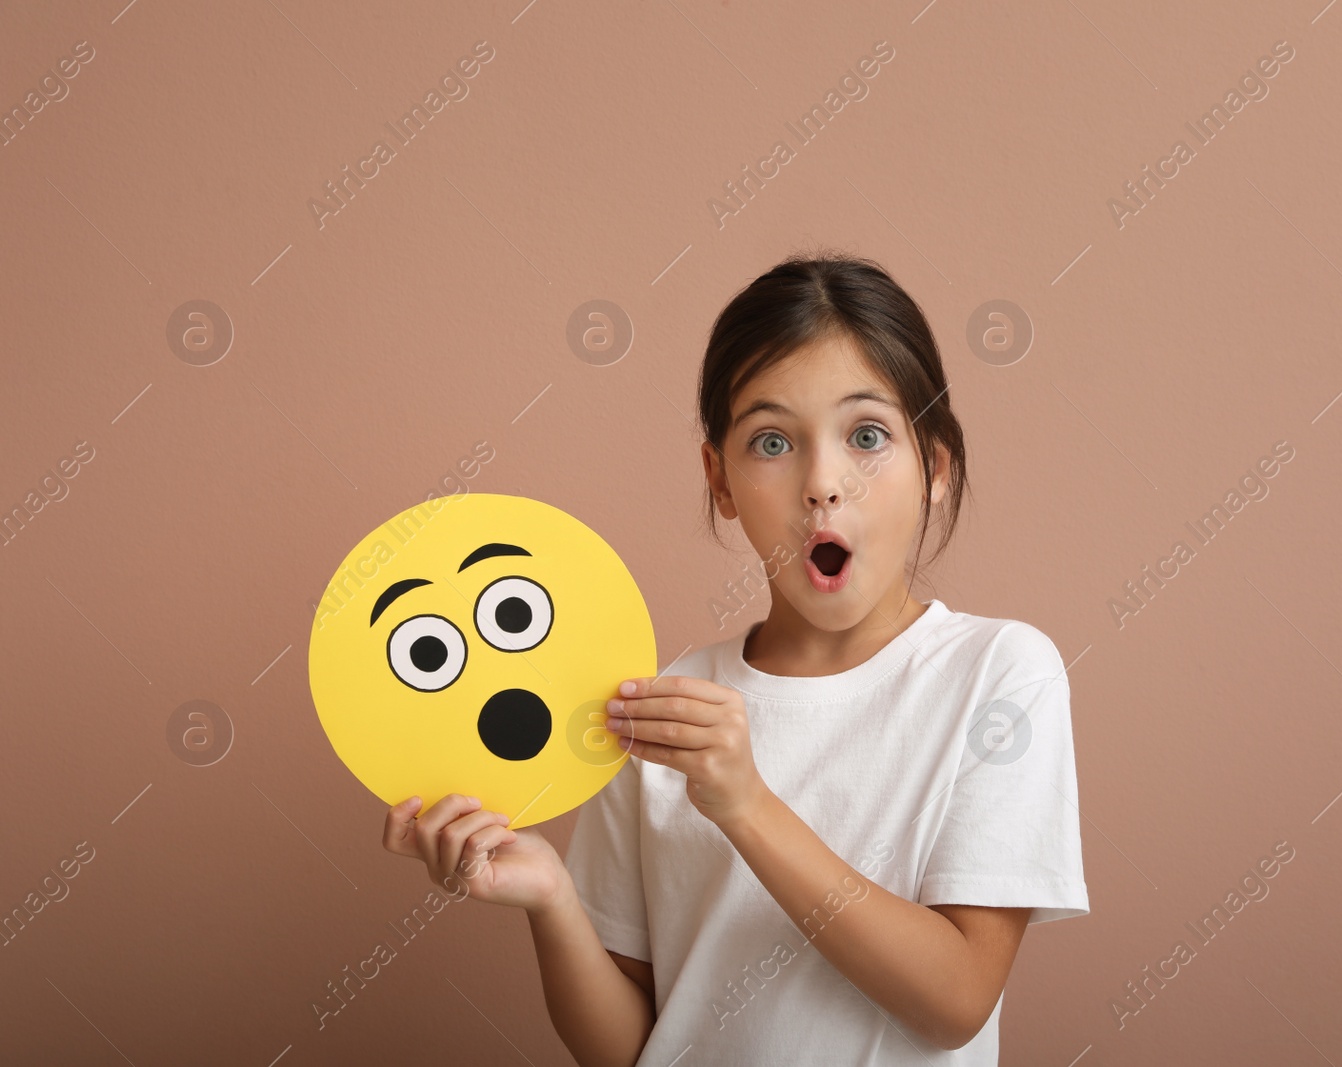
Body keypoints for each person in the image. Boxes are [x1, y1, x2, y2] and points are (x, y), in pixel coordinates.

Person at [382, 252, 1089, 1065]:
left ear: (934, 466)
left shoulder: (1000, 674)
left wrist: (745, 802)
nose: (823, 482)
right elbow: (625, 1048)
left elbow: (955, 1001)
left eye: (866, 435)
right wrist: (550, 898)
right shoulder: (659, 707)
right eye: (772, 441)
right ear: (720, 480)